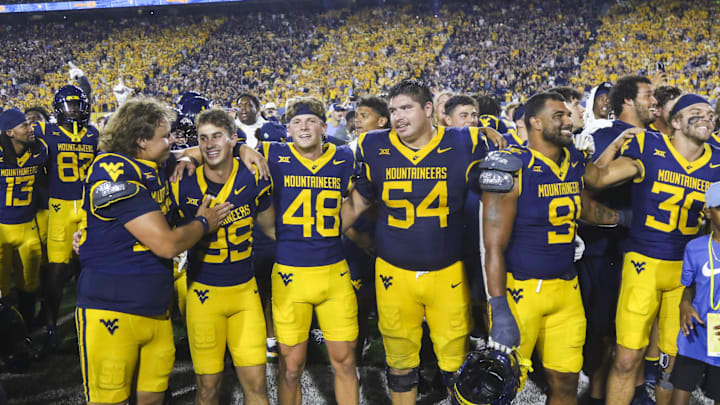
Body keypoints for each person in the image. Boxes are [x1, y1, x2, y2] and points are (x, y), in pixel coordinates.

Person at [341, 79, 494, 404]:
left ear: (428, 110)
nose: (398, 116)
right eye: (393, 109)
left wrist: (497, 139)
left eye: (406, 108)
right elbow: (357, 203)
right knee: (400, 365)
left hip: (447, 272)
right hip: (393, 273)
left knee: (457, 366)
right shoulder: (372, 145)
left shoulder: (464, 141)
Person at [76, 98, 233, 405]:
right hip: (113, 307)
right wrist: (205, 222)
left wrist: (242, 150)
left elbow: (204, 151)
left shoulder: (151, 165)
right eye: (164, 135)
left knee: (153, 398)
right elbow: (167, 244)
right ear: (140, 139)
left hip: (156, 309)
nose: (171, 141)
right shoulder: (113, 171)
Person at [481, 92, 623, 405]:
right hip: (521, 291)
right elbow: (492, 245)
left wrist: (623, 218)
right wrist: (499, 307)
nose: (568, 121)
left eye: (567, 115)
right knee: (499, 389)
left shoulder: (572, 159)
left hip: (566, 289)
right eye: (558, 115)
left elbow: (581, 204)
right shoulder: (512, 166)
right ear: (535, 122)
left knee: (566, 383)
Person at [597, 94, 720, 405]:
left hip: (687, 273)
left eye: (710, 113)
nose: (707, 117)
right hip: (644, 263)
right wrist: (613, 145)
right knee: (627, 358)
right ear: (675, 121)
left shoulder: (718, 161)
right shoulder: (649, 148)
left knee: (671, 363)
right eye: (696, 112)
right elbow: (597, 179)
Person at [173, 108, 275, 405]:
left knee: (256, 387)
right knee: (208, 389)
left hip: (245, 293)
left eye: (217, 136)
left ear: (233, 138)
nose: (209, 144)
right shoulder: (183, 178)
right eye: (203, 138)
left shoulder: (254, 174)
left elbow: (271, 229)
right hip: (204, 295)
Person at [263, 96, 359, 405]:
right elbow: (222, 148)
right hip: (291, 273)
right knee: (291, 367)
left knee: (345, 361)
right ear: (287, 130)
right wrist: (239, 148)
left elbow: (357, 198)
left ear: (323, 125)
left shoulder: (344, 157)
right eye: (296, 122)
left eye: (310, 120)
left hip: (334, 271)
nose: (304, 126)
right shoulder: (271, 154)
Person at [34, 85, 100, 353]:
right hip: (59, 208)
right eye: (69, 106)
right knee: (56, 271)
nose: (73, 111)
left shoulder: (94, 134)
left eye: (77, 106)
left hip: (87, 207)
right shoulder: (45, 132)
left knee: (88, 270)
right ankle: (51, 329)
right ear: (59, 108)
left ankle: (87, 326)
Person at [669, 181, 720, 405]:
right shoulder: (695, 247)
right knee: (679, 393)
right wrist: (685, 304)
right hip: (697, 331)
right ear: (708, 212)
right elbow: (689, 286)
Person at [0, 109, 47, 326]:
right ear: (9, 132)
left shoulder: (38, 151)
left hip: (28, 226)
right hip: (2, 229)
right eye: (24, 126)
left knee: (29, 283)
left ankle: (26, 328)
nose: (31, 129)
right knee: (2, 289)